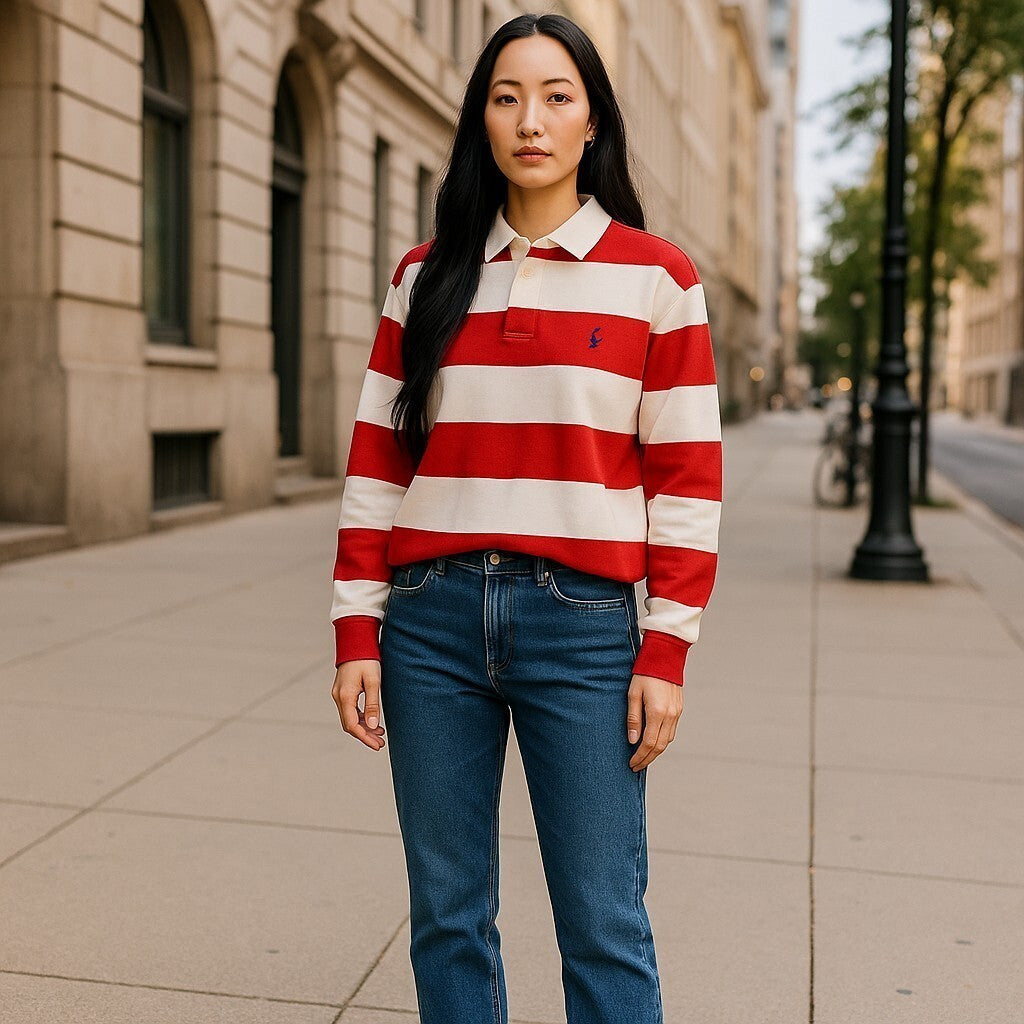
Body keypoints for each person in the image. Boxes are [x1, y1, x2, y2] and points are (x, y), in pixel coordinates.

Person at [329, 12, 722, 1024]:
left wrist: (666, 651)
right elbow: (378, 459)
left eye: (555, 96)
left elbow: (685, 480)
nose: (529, 119)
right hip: (428, 625)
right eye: (506, 97)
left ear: (591, 121)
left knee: (602, 917)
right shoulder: (425, 277)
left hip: (583, 627)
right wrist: (355, 629)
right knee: (448, 913)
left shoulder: (656, 279)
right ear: (481, 120)